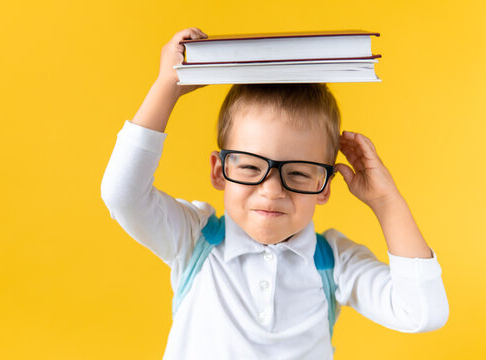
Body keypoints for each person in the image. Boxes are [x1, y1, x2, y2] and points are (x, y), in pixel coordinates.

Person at [100, 27, 449, 359]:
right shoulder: (194, 241)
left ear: (324, 186)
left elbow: (421, 312)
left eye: (297, 173)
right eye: (251, 168)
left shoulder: (333, 262)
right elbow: (122, 195)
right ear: (220, 171)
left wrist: (386, 203)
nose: (271, 190)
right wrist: (167, 87)